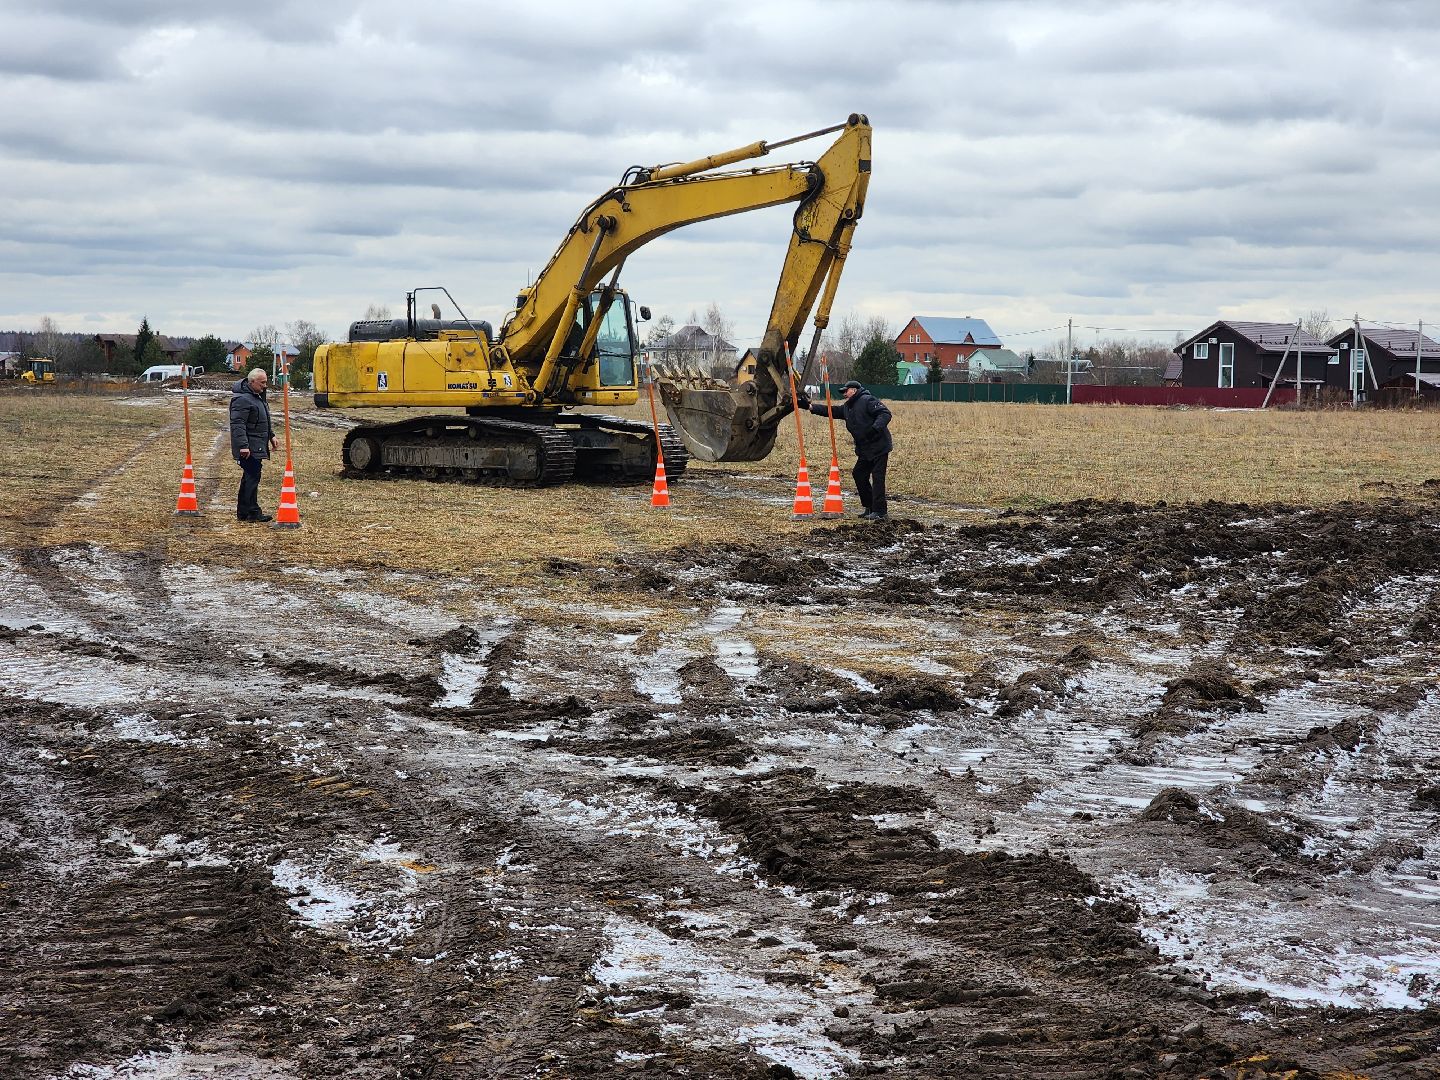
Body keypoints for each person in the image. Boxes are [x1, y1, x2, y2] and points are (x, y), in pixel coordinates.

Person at [797, 380, 893, 520]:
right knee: (859, 474)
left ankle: (880, 511)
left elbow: (885, 414)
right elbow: (831, 411)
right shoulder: (848, 407)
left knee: (878, 478)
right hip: (865, 449)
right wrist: (810, 407)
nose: (844, 394)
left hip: (879, 446)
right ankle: (870, 507)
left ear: (854, 390)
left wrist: (874, 429)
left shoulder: (868, 400)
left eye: (845, 391)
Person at [230, 368, 278, 522]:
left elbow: (263, 420)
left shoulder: (257, 397)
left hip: (257, 444)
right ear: (252, 382)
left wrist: (271, 435)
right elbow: (238, 424)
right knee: (252, 477)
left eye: (266, 382)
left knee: (250, 477)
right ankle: (252, 512)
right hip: (249, 447)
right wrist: (243, 446)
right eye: (262, 382)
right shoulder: (242, 399)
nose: (265, 386)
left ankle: (244, 513)